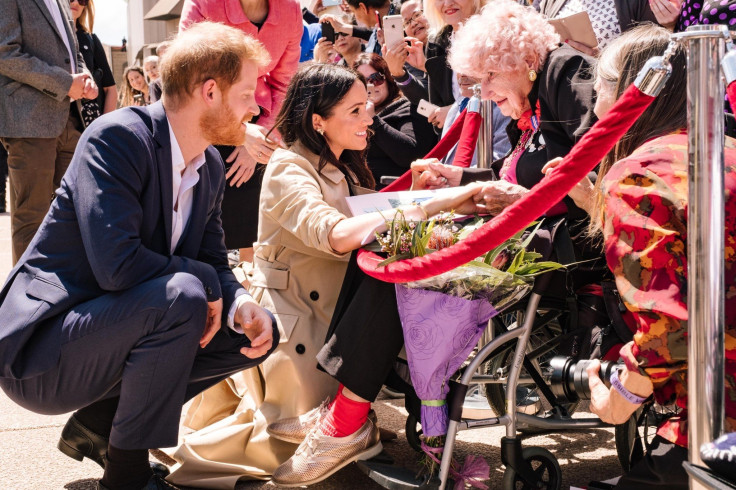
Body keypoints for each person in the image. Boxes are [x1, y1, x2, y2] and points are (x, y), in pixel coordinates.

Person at [165, 63, 481, 488]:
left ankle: (355, 416)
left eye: (367, 107)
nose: (370, 117)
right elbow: (336, 233)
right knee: (274, 445)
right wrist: (437, 201)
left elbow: (370, 214)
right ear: (319, 121)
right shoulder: (289, 168)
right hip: (295, 325)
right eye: (355, 111)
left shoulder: (337, 165)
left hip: (328, 316)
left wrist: (424, 190)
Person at [0, 21, 279, 490]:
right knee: (185, 296)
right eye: (248, 92)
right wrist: (207, 287)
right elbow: (118, 265)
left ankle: (101, 422)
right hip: (43, 352)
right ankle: (125, 478)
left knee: (245, 333)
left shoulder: (208, 163)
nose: (258, 106)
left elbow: (211, 259)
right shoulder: (118, 138)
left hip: (113, 333)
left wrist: (238, 302)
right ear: (210, 91)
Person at [179, 0, 302, 265]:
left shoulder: (290, 10)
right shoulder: (202, 4)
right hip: (205, 116)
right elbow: (187, 75)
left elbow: (284, 85)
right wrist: (238, 132)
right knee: (200, 223)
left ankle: (251, 295)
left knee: (253, 225)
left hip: (262, 119)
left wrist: (261, 137)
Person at [0, 0, 97, 264]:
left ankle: (60, 293)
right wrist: (65, 83)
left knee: (71, 215)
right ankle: (25, 300)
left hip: (70, 120)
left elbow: (72, 51)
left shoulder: (62, 2)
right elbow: (5, 53)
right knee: (32, 216)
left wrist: (85, 78)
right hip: (29, 121)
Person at [354, 53, 437, 185]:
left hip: (397, 190)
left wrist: (374, 121)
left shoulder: (408, 106)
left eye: (376, 78)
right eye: (363, 82)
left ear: (388, 79)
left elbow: (411, 155)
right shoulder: (354, 114)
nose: (371, 85)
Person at [421, 0, 490, 128]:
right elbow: (438, 114)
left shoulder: (494, 36)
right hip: (454, 140)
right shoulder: (435, 45)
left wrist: (455, 112)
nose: (447, 3)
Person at [538, 0, 670, 55]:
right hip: (565, 101)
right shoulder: (550, 2)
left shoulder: (637, 3)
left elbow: (654, 54)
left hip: (614, 100)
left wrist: (599, 64)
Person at [70, 0, 117, 116]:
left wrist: (104, 127)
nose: (76, 3)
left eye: (82, 0)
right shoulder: (42, 37)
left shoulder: (91, 39)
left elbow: (110, 89)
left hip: (88, 122)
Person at [381, 0, 430, 105]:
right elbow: (425, 100)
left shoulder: (449, 42)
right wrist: (399, 74)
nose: (413, 23)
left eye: (417, 15)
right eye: (407, 22)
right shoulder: (409, 59)